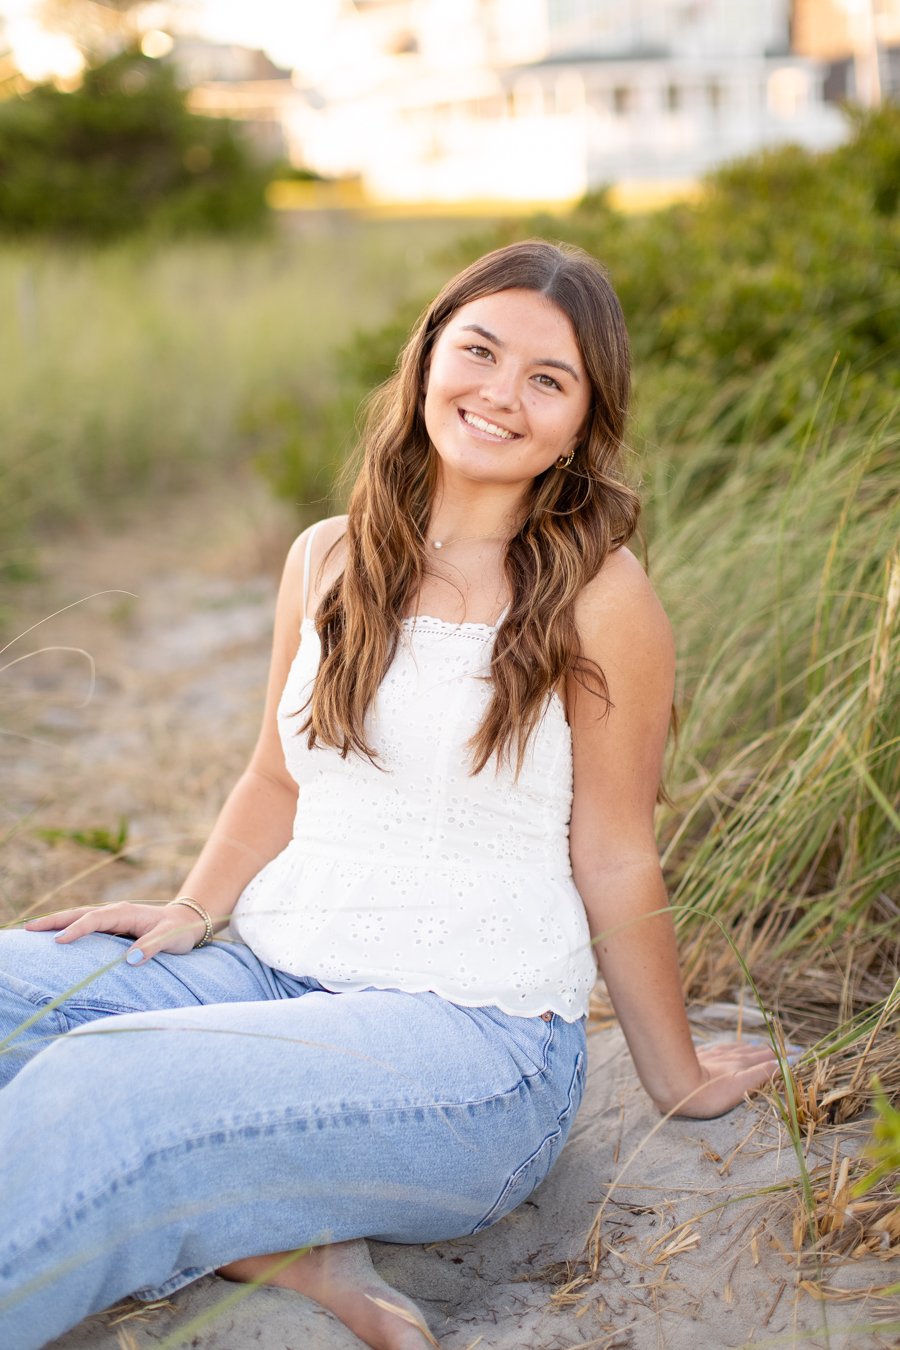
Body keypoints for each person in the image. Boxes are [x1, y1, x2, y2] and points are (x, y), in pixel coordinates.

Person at [0, 240, 780, 1350]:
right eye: (480, 350)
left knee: (106, 1084)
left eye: (548, 379)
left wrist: (677, 1073)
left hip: (469, 1046)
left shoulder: (602, 595)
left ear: (580, 423)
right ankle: (261, 1222)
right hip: (268, 970)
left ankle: (225, 1203)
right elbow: (277, 775)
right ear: (425, 358)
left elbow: (616, 852)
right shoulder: (327, 556)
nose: (501, 393)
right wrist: (188, 910)